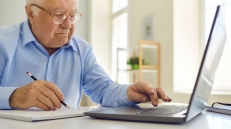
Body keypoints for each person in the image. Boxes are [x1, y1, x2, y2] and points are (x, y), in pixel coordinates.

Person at [0, 0, 172, 111]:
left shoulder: (82, 50)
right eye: (59, 15)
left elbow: (104, 90)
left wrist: (129, 91)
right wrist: (15, 96)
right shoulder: (3, 42)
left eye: (72, 15)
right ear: (31, 13)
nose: (68, 25)